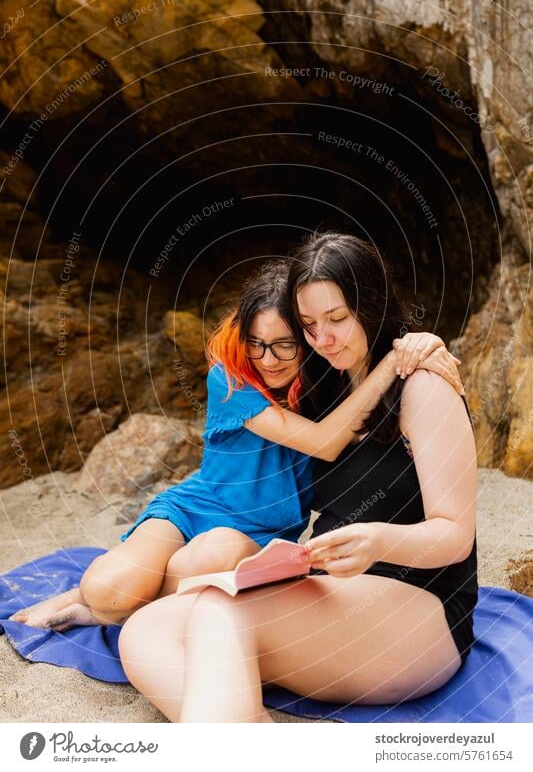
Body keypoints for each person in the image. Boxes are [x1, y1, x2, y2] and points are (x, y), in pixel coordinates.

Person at [117, 233, 477, 723]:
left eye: (337, 319)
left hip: (417, 612)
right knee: (144, 631)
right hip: (327, 597)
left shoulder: (423, 386)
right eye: (308, 325)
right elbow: (243, 350)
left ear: (370, 304)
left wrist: (377, 541)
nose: (322, 338)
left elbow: (456, 535)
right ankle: (247, 735)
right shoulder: (321, 383)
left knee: (221, 613)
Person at [9, 260, 459, 634]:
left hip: (258, 538)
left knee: (207, 557)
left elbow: (363, 377)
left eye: (285, 343)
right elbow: (324, 443)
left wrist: (422, 343)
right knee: (111, 588)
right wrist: (391, 365)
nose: (269, 359)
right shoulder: (230, 378)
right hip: (194, 507)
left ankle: (121, 601)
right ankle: (101, 596)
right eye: (257, 344)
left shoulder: (328, 384)